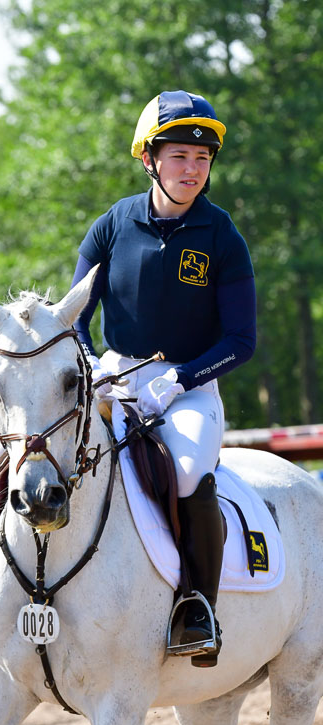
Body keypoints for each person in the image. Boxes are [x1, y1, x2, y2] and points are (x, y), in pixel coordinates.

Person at [70, 90, 256, 664]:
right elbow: (73, 314)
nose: (193, 170)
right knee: (27, 453)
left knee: (186, 471)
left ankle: (197, 606)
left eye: (202, 160)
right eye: (180, 157)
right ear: (148, 159)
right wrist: (92, 367)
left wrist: (180, 378)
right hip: (114, 379)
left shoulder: (222, 237)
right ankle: (4, 588)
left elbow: (242, 341)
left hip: (190, 388)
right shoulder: (112, 225)